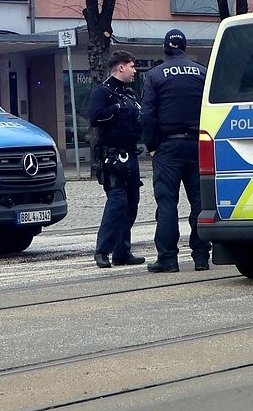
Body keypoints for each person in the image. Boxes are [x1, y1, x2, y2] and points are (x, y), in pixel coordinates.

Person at [141, 29, 210, 273]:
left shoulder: (155, 75)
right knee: (200, 203)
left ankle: (168, 259)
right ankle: (201, 257)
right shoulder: (202, 72)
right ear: (185, 47)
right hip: (197, 145)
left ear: (165, 48)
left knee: (167, 203)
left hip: (167, 148)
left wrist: (151, 145)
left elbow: (147, 113)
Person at [88, 50, 146, 269]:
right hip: (113, 155)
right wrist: (117, 108)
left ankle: (122, 252)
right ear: (120, 67)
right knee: (117, 203)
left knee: (132, 204)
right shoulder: (103, 93)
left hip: (131, 154)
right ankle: (102, 250)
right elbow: (94, 117)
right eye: (132, 65)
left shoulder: (130, 93)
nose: (135, 70)